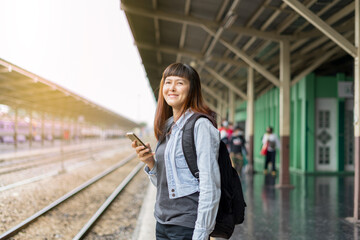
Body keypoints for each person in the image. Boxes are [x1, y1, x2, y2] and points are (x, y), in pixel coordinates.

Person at [131, 63, 221, 240]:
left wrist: (202, 233)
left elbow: (210, 184)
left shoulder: (200, 125)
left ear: (192, 88)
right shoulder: (168, 126)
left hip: (187, 226)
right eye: (168, 82)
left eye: (179, 83)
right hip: (163, 222)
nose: (171, 88)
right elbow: (166, 184)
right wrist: (151, 163)